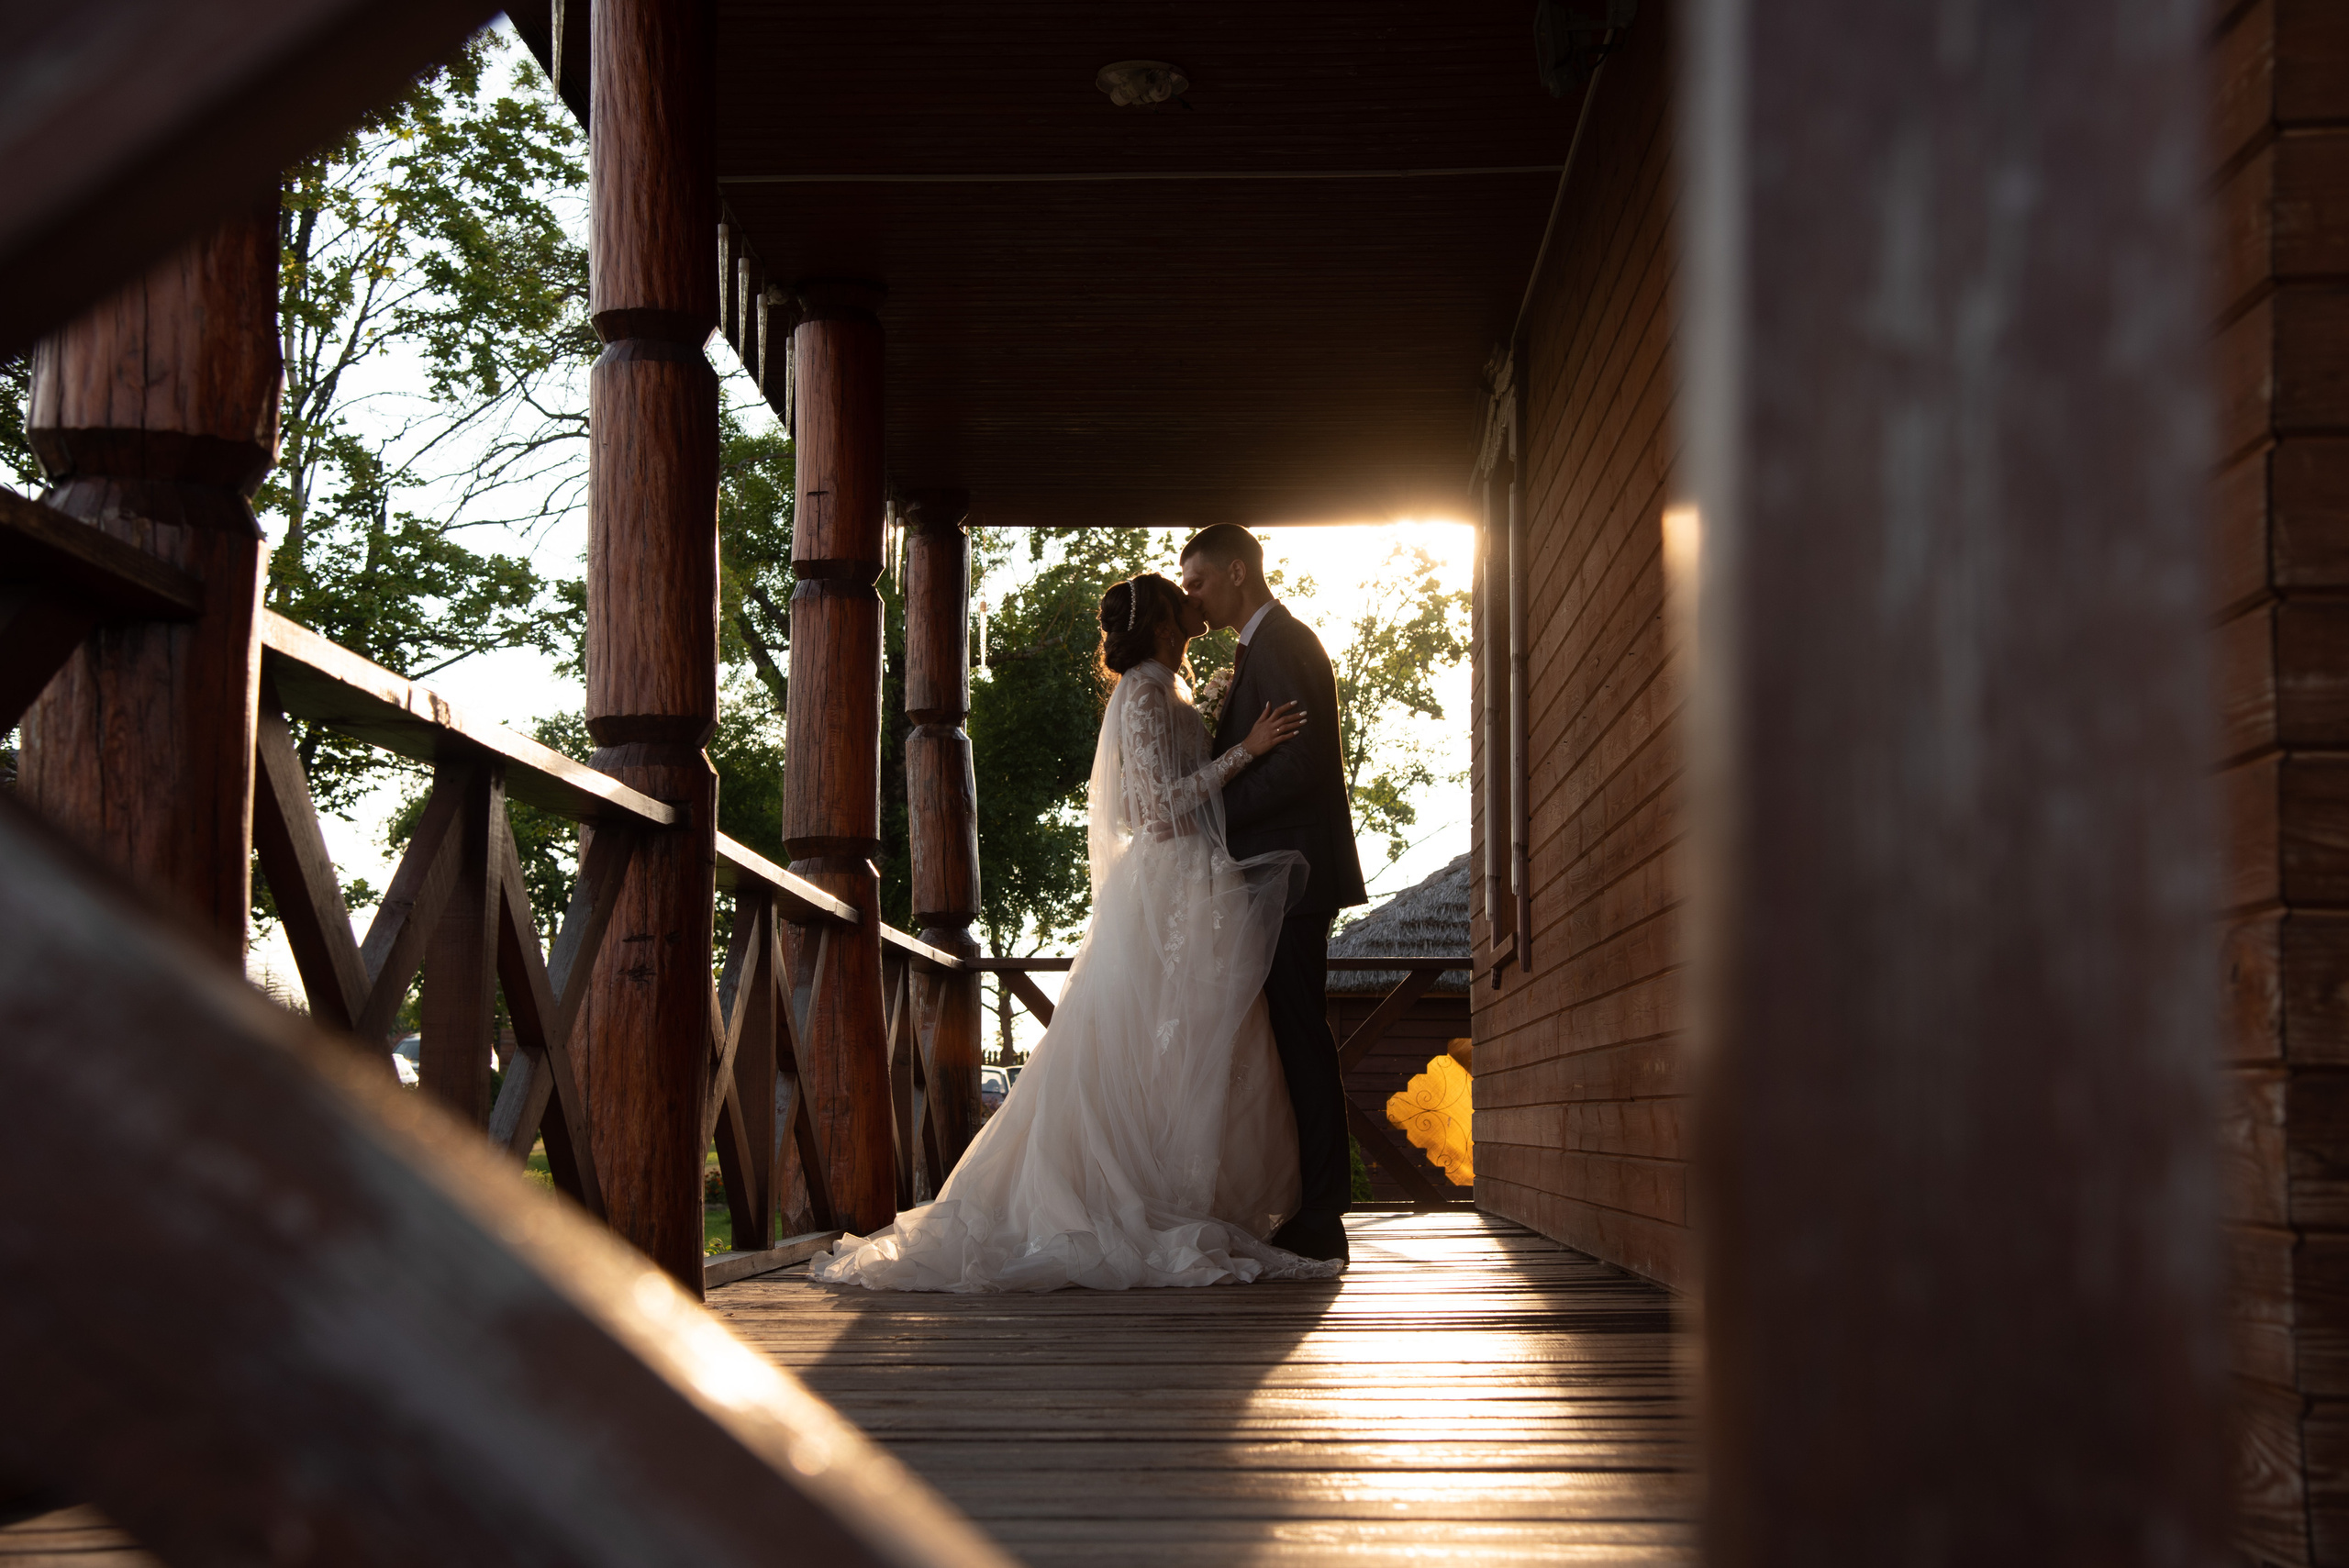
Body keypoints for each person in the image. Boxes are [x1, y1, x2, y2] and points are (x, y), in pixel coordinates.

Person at [811, 571, 1341, 1291]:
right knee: (1160, 1037)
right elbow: (1153, 809)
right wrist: (1244, 748)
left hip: (1196, 883)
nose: (1194, 602)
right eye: (1180, 595)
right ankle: (1136, 1194)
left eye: (1197, 586)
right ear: (1159, 624)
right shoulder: (1146, 693)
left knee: (1197, 1041)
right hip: (1168, 887)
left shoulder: (1171, 686)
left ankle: (1207, 1192)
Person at [1177, 524, 1368, 1265]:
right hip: (1279, 871)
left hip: (1293, 871)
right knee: (1291, 1035)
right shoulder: (1260, 648)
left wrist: (1213, 813)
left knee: (1301, 1036)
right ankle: (1312, 1205)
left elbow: (1304, 768)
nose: (1191, 596)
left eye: (1196, 582)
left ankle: (1324, 1214)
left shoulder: (1284, 643)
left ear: (1235, 571)